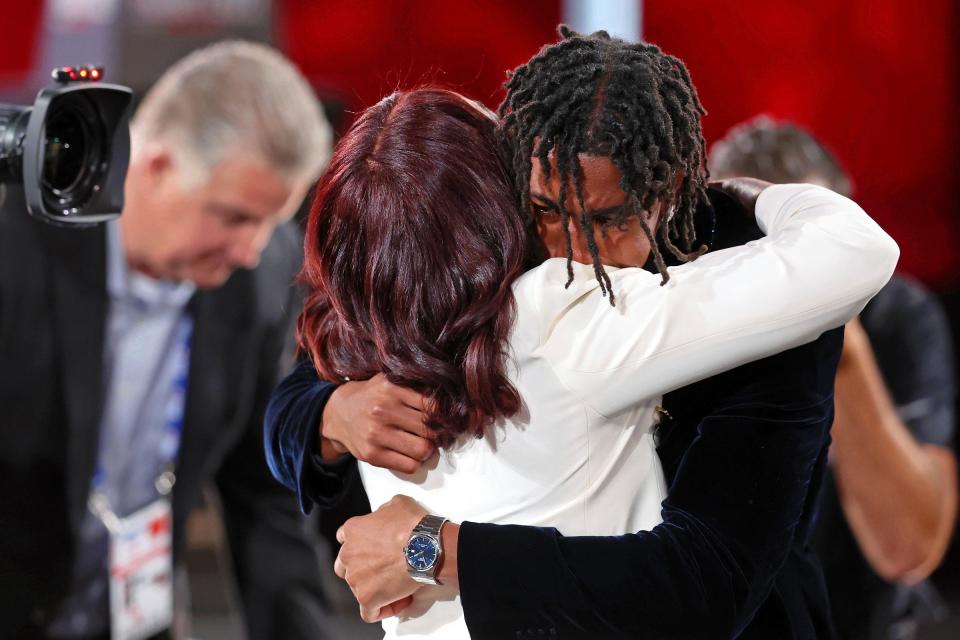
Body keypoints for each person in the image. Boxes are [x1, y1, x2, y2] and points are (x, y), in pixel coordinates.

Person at [265, 28, 898, 638]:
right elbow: (305, 384)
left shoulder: (765, 285)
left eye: (608, 219)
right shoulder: (489, 266)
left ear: (669, 187)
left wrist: (435, 549)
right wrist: (331, 413)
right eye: (544, 211)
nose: (570, 250)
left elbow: (706, 584)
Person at [0, 41, 334, 639]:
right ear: (154, 167)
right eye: (234, 217)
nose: (251, 249)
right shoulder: (17, 247)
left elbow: (264, 493)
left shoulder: (256, 277)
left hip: (133, 616)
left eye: (272, 221)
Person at [710, 117, 958, 640]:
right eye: (749, 242)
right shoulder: (677, 313)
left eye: (796, 244)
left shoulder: (896, 315)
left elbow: (907, 549)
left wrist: (835, 328)